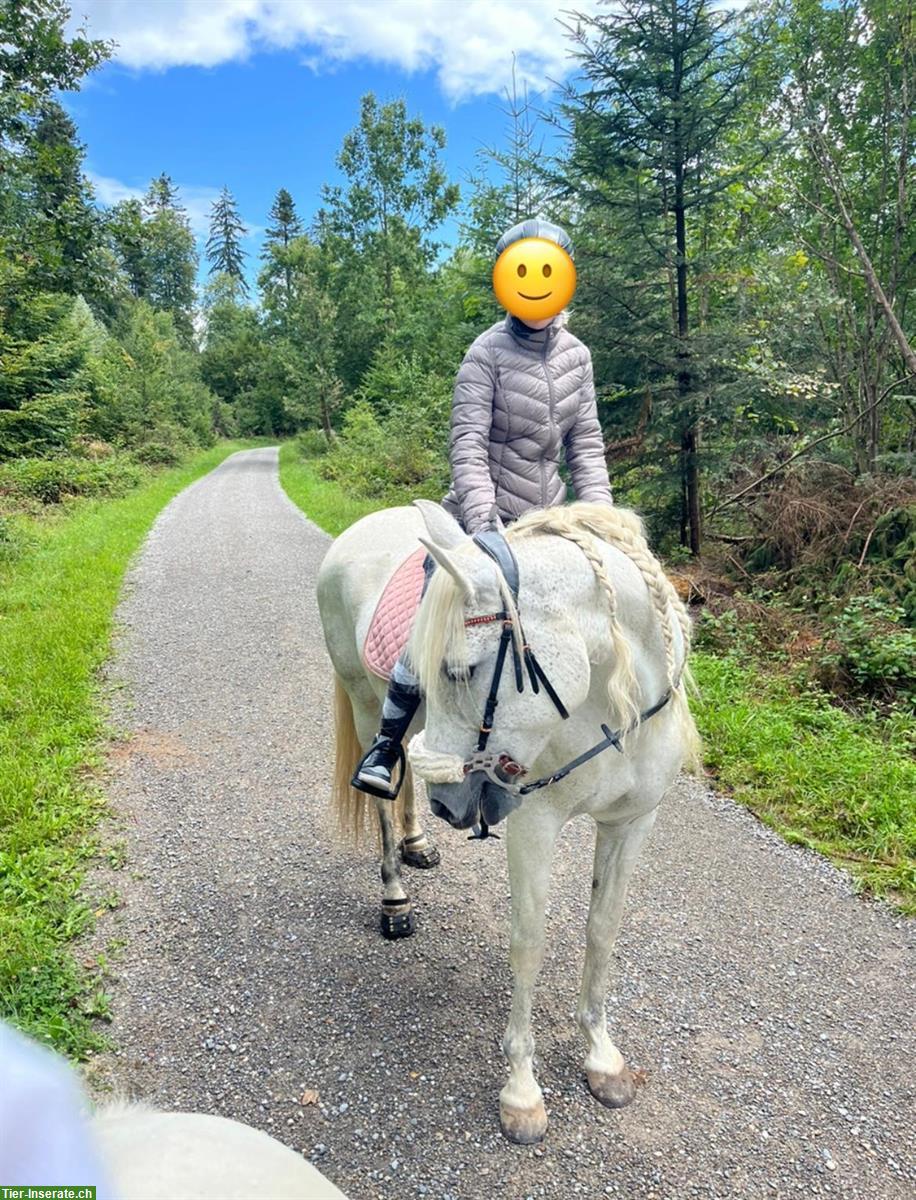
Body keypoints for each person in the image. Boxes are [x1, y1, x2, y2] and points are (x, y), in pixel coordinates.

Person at [351, 217, 613, 798]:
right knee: (435, 607)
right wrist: (483, 525)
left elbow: (586, 445)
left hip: (552, 524)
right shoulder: (485, 352)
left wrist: (601, 523)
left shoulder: (578, 357)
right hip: (485, 517)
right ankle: (386, 743)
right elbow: (467, 444)